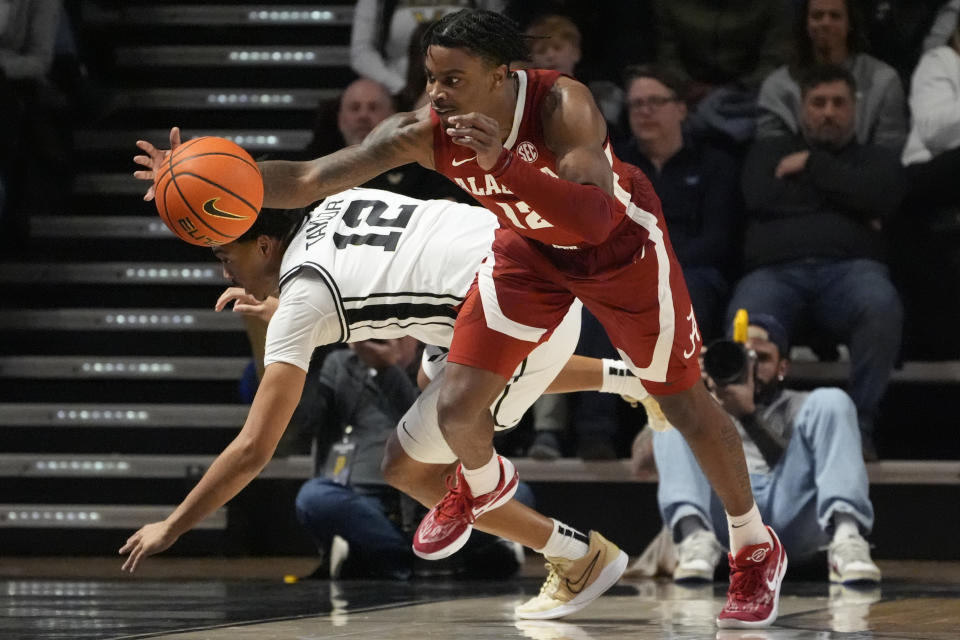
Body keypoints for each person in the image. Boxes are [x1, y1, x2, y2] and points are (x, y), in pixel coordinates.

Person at [133, 10, 788, 627]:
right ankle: (481, 483)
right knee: (453, 404)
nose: (437, 94)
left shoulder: (563, 105)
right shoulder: (425, 131)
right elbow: (305, 179)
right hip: (524, 254)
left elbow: (591, 219)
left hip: (619, 251)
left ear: (503, 74)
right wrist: (205, 176)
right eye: (430, 78)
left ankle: (753, 546)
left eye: (453, 79)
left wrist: (503, 163)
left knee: (686, 407)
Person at [118, 184, 665, 618]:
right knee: (438, 381)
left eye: (225, 256)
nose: (224, 271)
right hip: (531, 274)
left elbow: (255, 448)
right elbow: (360, 267)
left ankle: (577, 556)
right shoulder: (332, 203)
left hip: (517, 317)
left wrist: (174, 525)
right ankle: (633, 377)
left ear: (264, 245)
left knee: (405, 466)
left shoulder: (301, 304)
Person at [732, 64, 906, 461]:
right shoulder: (768, 152)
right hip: (775, 272)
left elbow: (882, 197)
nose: (828, 111)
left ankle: (858, 427)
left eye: (838, 103)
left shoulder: (875, 158)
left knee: (879, 305)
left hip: (851, 273)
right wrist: (851, 203)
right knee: (747, 316)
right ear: (802, 109)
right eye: (818, 103)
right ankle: (756, 428)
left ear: (855, 110)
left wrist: (810, 168)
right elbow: (761, 198)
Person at [652, 314, 881, 585]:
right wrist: (685, 389)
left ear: (783, 366)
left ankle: (847, 539)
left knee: (833, 399)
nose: (750, 368)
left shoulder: (807, 407)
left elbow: (787, 463)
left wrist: (748, 416)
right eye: (742, 357)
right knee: (672, 411)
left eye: (760, 359)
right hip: (725, 522)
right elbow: (641, 459)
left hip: (790, 512)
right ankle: (695, 540)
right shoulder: (702, 405)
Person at [293, 337, 534, 580]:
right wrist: (306, 350)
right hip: (364, 496)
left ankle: (378, 559)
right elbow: (302, 423)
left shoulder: (440, 361)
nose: (383, 331)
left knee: (518, 494)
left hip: (440, 490)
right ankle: (428, 560)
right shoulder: (340, 363)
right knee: (315, 497)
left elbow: (435, 430)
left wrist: (388, 371)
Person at [757, 0, 908, 151]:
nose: (825, 23)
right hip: (797, 173)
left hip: (863, 172)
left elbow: (889, 155)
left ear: (850, 23)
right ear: (805, 24)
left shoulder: (884, 80)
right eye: (817, 16)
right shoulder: (776, 86)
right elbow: (770, 155)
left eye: (835, 16)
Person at [654, 0, 791, 145]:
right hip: (689, 92)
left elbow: (774, 59)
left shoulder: (773, 4)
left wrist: (733, 89)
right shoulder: (668, 4)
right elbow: (667, 57)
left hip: (749, 92)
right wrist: (686, 85)